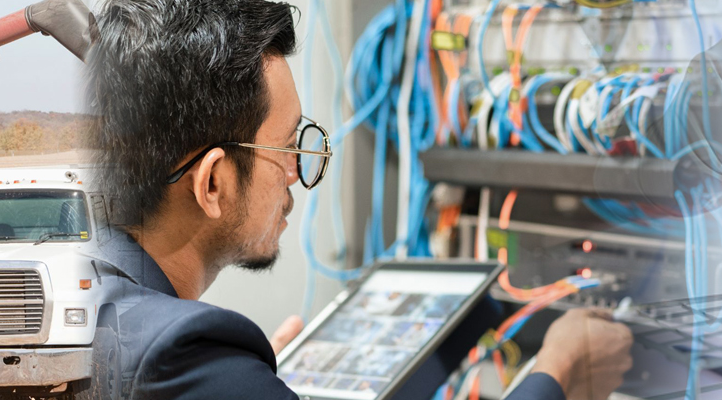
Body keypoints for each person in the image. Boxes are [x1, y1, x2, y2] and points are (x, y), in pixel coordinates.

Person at [79, 1, 630, 399]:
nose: (296, 172)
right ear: (213, 183)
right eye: (286, 147)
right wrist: (559, 370)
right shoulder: (185, 355)